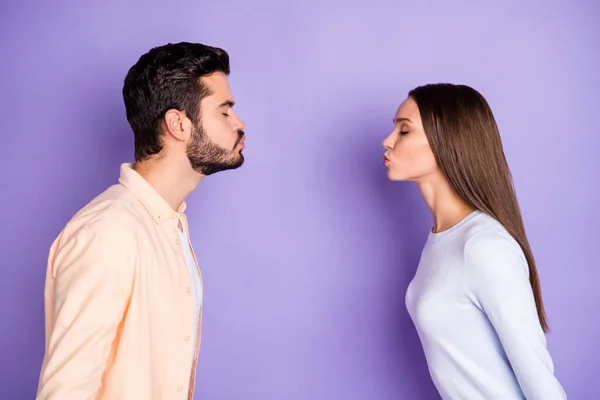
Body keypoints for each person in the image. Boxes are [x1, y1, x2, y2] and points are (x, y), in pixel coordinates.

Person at [36, 42, 246, 400]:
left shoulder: (168, 224)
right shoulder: (109, 233)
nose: (238, 123)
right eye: (224, 111)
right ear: (178, 124)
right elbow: (65, 391)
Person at [382, 83, 566, 399]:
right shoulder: (444, 238)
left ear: (445, 143)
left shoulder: (483, 246)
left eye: (404, 131)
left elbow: (540, 382)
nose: (387, 141)